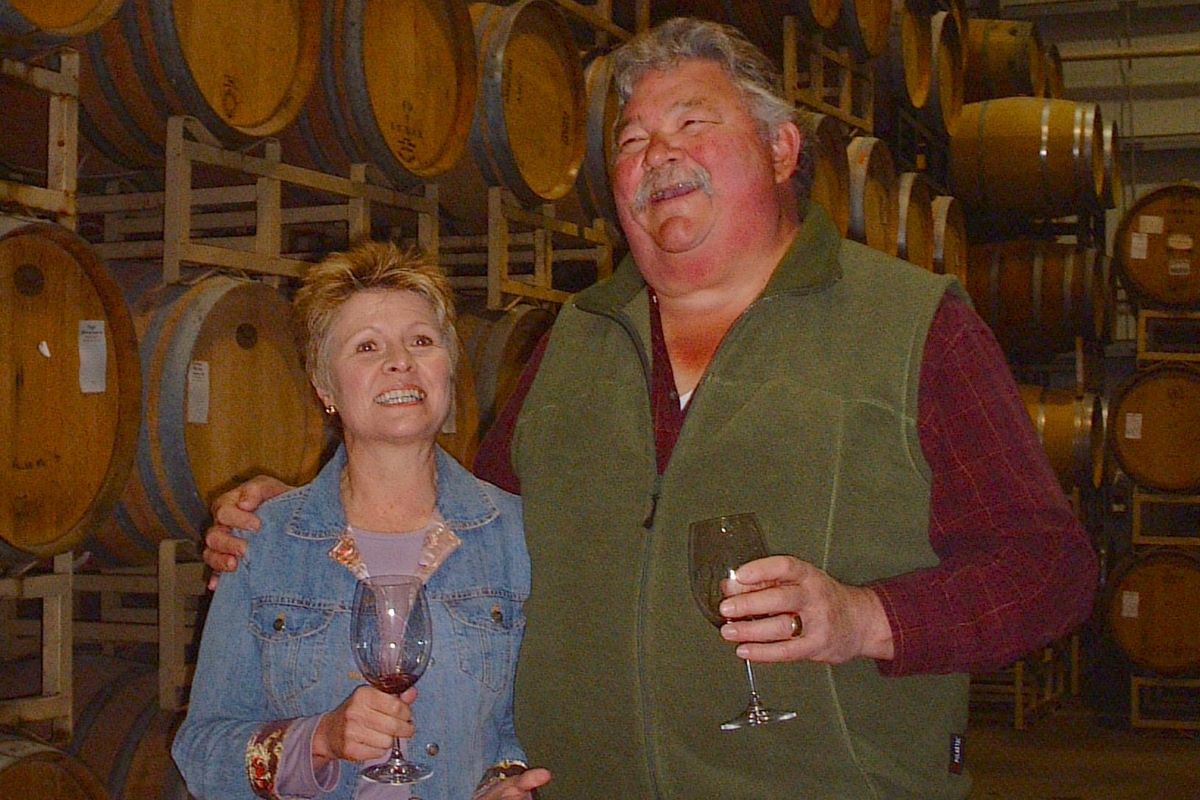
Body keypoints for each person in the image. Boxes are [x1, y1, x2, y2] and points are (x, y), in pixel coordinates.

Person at [202, 18, 1098, 800]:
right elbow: (466, 529)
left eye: (691, 124)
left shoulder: (911, 325)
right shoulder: (576, 341)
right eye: (631, 141)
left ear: (782, 149)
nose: (656, 155)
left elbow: (1049, 566)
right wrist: (299, 519)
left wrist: (869, 618)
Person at [172, 242, 550, 800]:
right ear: (325, 388)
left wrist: (503, 781)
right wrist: (318, 739)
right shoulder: (263, 542)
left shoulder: (518, 537)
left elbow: (543, 724)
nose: (400, 361)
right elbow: (202, 754)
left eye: (421, 341)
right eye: (367, 346)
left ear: (449, 369)